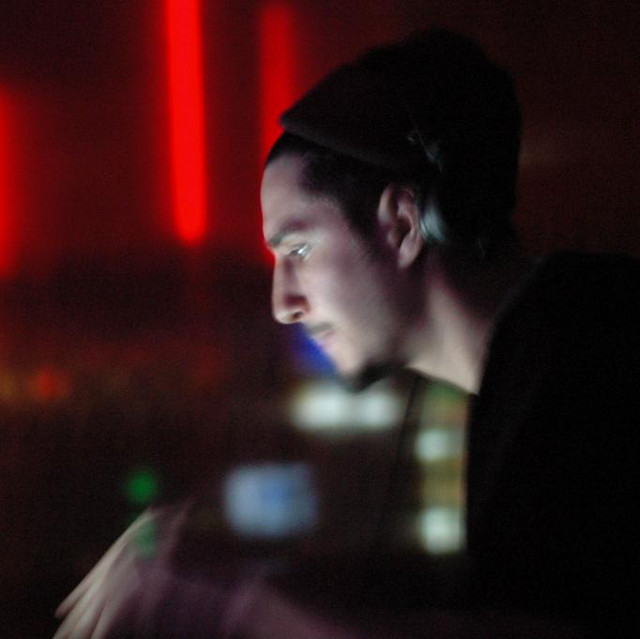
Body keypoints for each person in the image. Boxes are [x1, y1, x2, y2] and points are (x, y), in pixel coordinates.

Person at [55, 29, 638, 638]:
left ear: (404, 223)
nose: (283, 305)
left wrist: (227, 603)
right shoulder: (547, 357)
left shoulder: (594, 359)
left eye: (299, 250)